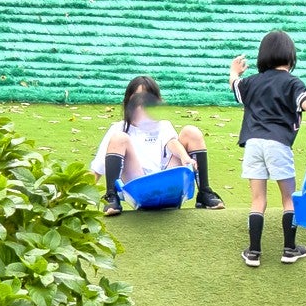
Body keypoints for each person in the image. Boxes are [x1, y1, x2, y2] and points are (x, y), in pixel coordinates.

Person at [230, 31, 306, 267]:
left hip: (252, 144)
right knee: (288, 198)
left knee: (258, 199)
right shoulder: (292, 82)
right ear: (290, 57)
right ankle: (289, 249)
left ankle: (253, 253)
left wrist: (234, 71)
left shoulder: (252, 82)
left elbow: (236, 86)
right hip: (277, 144)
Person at [90, 76, 223, 215]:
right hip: (139, 187)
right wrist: (73, 196)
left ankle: (204, 192)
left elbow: (171, 142)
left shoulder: (163, 125)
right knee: (119, 138)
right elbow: (97, 170)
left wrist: (185, 157)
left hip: (167, 184)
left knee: (191, 132)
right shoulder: (119, 128)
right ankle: (111, 196)